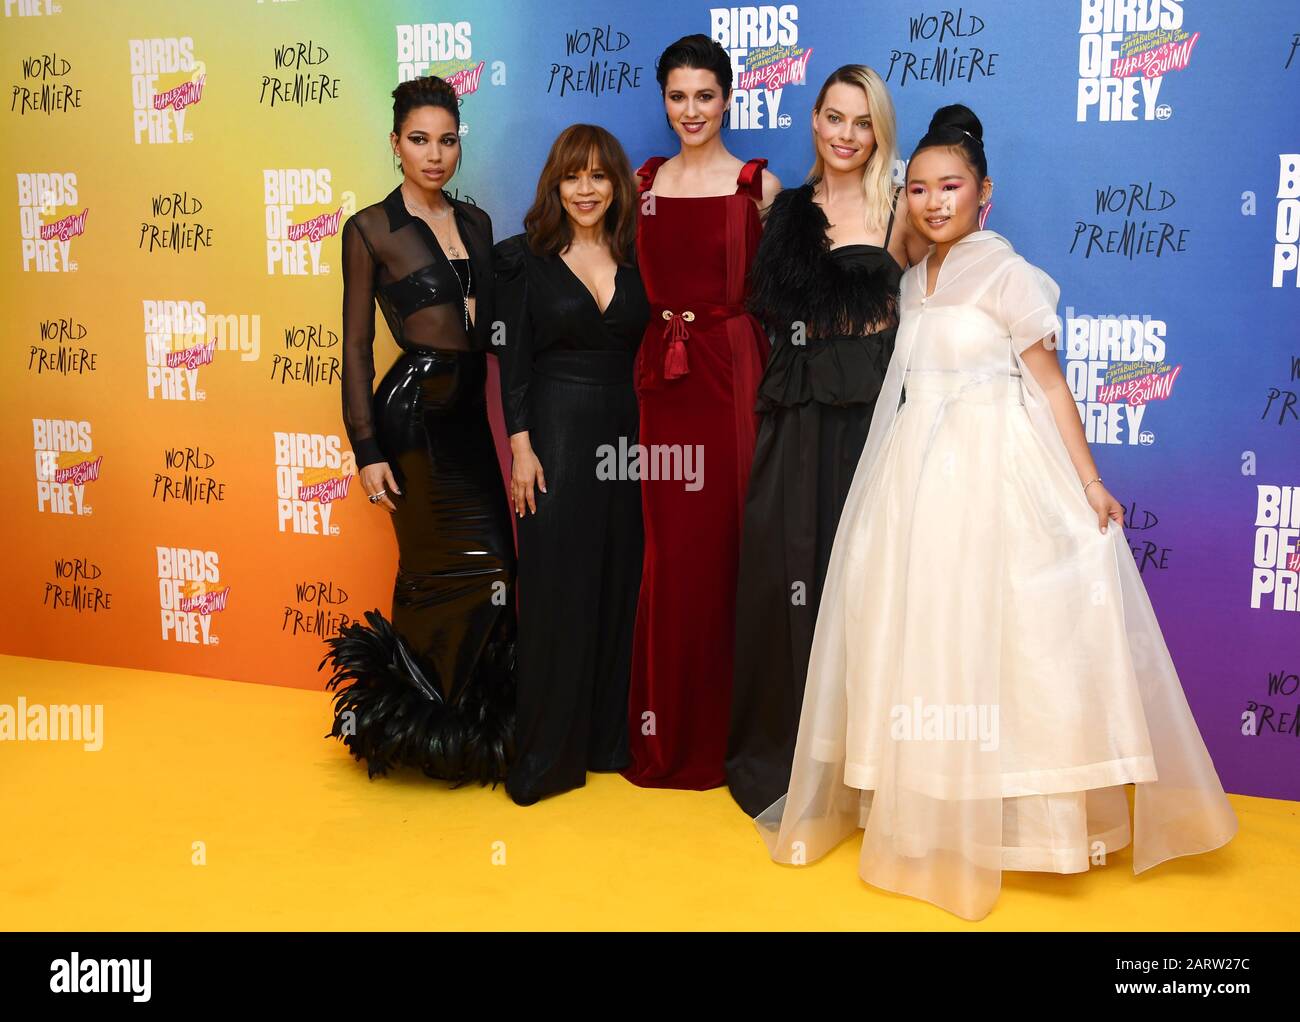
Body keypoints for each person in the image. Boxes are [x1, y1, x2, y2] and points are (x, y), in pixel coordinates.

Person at [756, 104, 1237, 920]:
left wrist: (1088, 483)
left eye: (952, 187)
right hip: (915, 475)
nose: (934, 202)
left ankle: (1019, 823)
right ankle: (930, 804)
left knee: (1006, 641)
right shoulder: (912, 281)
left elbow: (1048, 381)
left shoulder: (1007, 272)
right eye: (918, 189)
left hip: (994, 469)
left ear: (986, 193)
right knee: (927, 637)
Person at [727, 64, 927, 817]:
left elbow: (938, 302)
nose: (847, 135)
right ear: (814, 121)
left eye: (862, 122)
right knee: (788, 563)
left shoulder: (899, 210)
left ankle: (868, 769)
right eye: (834, 118)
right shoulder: (782, 206)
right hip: (795, 407)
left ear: (879, 130)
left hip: (871, 411)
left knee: (872, 579)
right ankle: (788, 756)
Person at [319, 75, 516, 785]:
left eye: (448, 140)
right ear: (396, 144)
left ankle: (464, 729)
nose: (435, 155)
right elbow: (355, 347)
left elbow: (497, 325)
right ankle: (417, 727)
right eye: (420, 140)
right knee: (433, 573)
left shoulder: (478, 224)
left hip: (468, 418)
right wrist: (365, 448)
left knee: (496, 564)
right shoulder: (370, 228)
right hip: (410, 417)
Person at [623, 33, 780, 790]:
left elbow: (782, 298)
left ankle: (732, 739)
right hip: (663, 383)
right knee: (671, 554)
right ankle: (667, 731)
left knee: (729, 546)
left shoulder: (759, 185)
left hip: (730, 374)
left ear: (728, 98)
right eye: (678, 97)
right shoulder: (642, 183)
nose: (692, 110)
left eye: (705, 96)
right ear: (665, 101)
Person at [493, 124, 649, 805]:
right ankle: (548, 758)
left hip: (629, 435)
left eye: (598, 176)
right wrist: (520, 447)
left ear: (617, 185)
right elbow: (514, 361)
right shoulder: (525, 261)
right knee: (558, 586)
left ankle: (604, 742)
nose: (585, 189)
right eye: (571, 176)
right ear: (555, 186)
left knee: (618, 581)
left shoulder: (641, 256)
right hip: (554, 430)